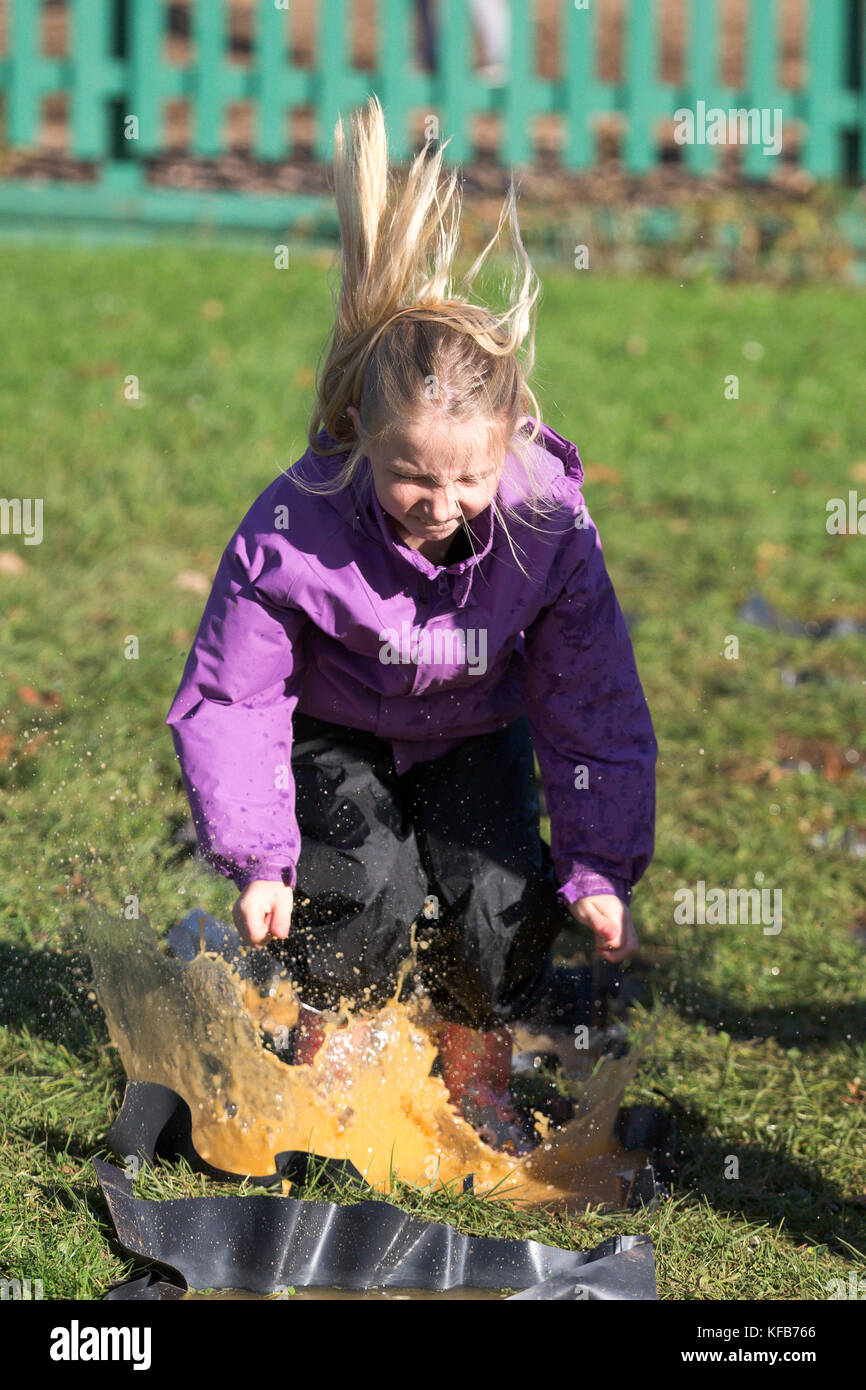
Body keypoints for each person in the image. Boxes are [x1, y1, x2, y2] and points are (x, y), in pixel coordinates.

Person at [166, 95, 657, 1155]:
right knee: (360, 885)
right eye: (409, 478)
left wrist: (600, 861)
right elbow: (234, 694)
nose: (440, 505)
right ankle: (332, 1047)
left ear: (510, 441)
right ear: (359, 441)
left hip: (473, 724)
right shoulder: (294, 528)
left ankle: (476, 1057)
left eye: (466, 479)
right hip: (336, 726)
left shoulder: (545, 524)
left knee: (495, 893)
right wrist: (257, 855)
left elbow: (588, 697)